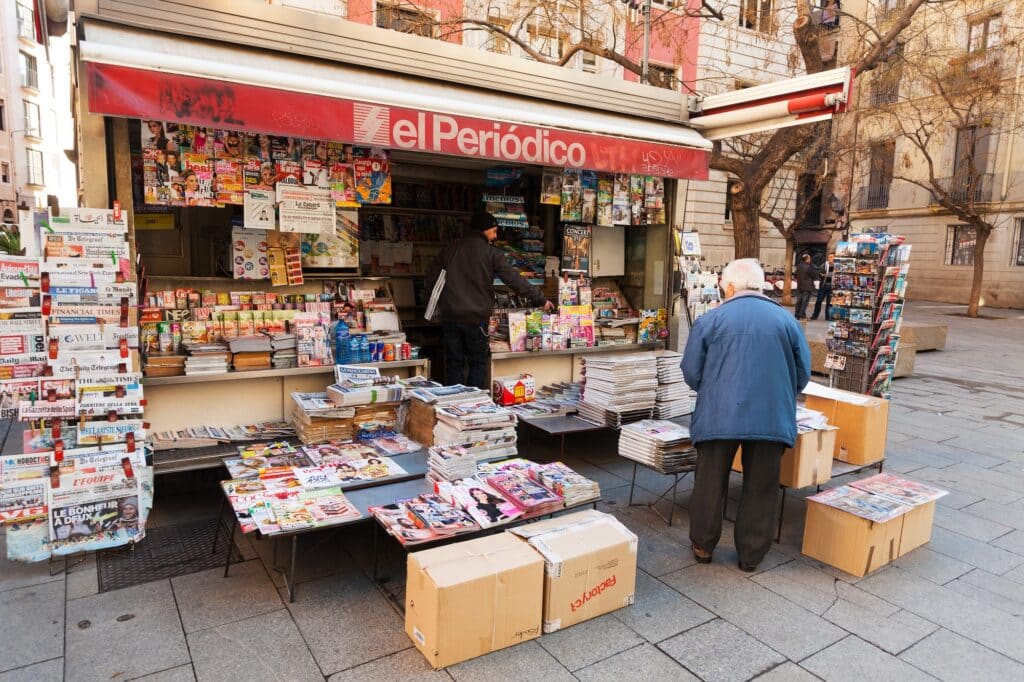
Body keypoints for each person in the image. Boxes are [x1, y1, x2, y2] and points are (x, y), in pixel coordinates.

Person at [682, 258, 810, 572]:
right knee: (761, 486)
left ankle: (703, 545)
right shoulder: (786, 321)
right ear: (761, 284)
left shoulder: (712, 320)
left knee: (710, 481)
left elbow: (691, 372)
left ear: (728, 286)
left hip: (718, 414)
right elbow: (802, 375)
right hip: (770, 416)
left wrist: (714, 387)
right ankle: (751, 555)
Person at [431, 211, 554, 389]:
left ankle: (451, 404)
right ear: (484, 230)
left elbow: (433, 278)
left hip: (451, 316)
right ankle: (474, 405)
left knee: (454, 363)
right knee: (477, 363)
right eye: (494, 231)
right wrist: (540, 299)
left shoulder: (451, 249)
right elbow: (514, 279)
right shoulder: (491, 253)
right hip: (476, 318)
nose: (495, 236)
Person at [810, 253, 834, 320]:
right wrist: (825, 275)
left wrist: (827, 275)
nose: (830, 258)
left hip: (832, 287)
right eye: (829, 257)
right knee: (818, 301)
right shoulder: (825, 264)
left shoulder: (837, 265)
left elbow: (834, 275)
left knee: (829, 303)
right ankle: (815, 315)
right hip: (824, 285)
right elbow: (820, 273)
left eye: (831, 257)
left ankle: (828, 316)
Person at [794, 253, 815, 319]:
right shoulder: (808, 267)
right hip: (807, 287)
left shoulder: (798, 266)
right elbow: (813, 275)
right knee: (804, 302)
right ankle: (802, 314)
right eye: (809, 258)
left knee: (799, 301)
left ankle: (796, 314)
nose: (810, 259)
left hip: (799, 286)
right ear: (807, 259)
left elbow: (796, 275)